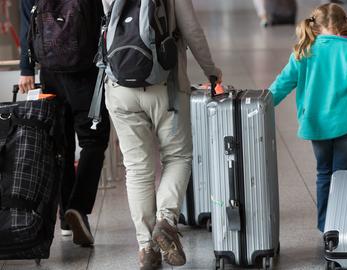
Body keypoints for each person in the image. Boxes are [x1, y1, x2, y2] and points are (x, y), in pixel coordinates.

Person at [101, 0, 222, 269]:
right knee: (178, 156)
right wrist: (212, 72)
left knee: (137, 169)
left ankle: (147, 249)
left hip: (119, 84)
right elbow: (192, 30)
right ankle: (166, 221)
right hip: (165, 84)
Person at [269, 3, 347, 233]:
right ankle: (345, 225)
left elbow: (283, 82)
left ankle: (326, 226)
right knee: (345, 178)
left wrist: (262, 104)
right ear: (344, 24)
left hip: (316, 124)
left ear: (316, 25)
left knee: (324, 174)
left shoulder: (304, 50)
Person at [18, 0, 110, 246]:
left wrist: (26, 68)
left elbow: (27, 17)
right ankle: (78, 207)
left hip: (50, 69)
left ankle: (66, 220)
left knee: (62, 145)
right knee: (94, 140)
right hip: (86, 71)